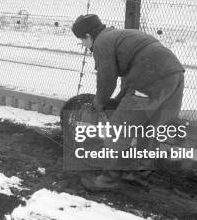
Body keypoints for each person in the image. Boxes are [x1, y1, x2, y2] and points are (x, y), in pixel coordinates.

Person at [71, 14, 185, 190]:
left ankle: (108, 180)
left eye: (82, 41)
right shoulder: (118, 36)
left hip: (150, 77)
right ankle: (139, 173)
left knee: (118, 129)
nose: (84, 47)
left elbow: (106, 79)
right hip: (174, 75)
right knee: (148, 127)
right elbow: (130, 81)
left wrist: (99, 102)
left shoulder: (101, 43)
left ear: (88, 36)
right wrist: (117, 101)